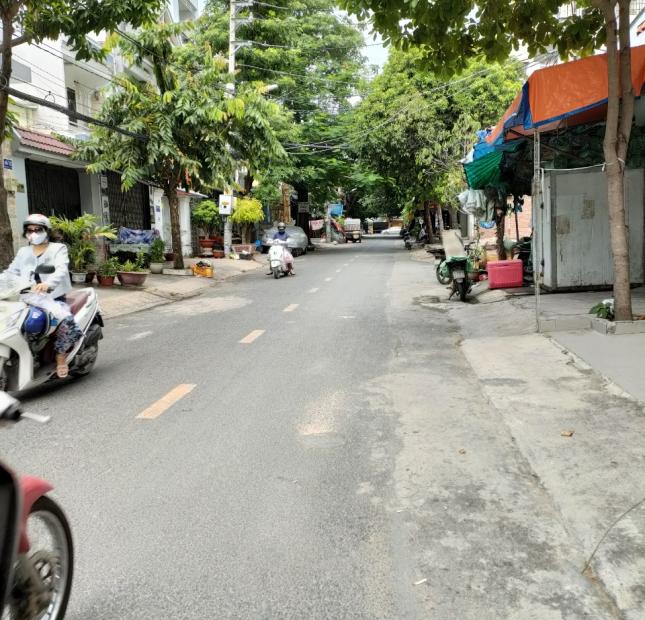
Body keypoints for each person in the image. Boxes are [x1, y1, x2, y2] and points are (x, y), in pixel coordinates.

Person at [4, 214, 83, 378]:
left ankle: (60, 357)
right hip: (26, 297)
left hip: (52, 297)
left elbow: (61, 269)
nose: (33, 233)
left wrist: (48, 283)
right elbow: (11, 272)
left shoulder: (58, 248)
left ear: (47, 231)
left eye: (37, 230)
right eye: (29, 230)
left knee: (66, 322)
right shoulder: (23, 251)